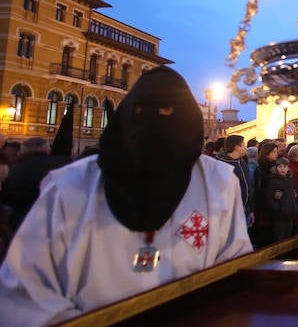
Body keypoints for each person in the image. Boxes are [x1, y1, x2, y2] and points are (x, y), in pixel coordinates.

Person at [0, 66, 252, 325]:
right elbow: (25, 291)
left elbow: (233, 274)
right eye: (141, 111)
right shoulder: (70, 185)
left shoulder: (218, 183)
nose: (154, 123)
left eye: (167, 111)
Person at [0, 137, 70, 233]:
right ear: (48, 150)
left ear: (21, 152)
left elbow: (6, 200)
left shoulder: (12, 171)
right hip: (57, 227)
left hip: (20, 227)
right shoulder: (65, 165)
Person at [216, 135, 255, 232]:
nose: (245, 148)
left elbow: (248, 188)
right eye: (243, 145)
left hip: (244, 212)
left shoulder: (243, 163)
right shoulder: (220, 165)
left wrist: (250, 210)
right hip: (229, 215)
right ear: (236, 147)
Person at [265, 157, 298, 242]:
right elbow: (268, 198)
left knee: (287, 236)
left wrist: (296, 204)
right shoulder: (273, 181)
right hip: (280, 214)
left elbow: (296, 194)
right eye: (280, 167)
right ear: (276, 168)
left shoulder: (290, 181)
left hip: (290, 212)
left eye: (284, 167)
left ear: (288, 168)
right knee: (279, 237)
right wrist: (277, 208)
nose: (282, 169)